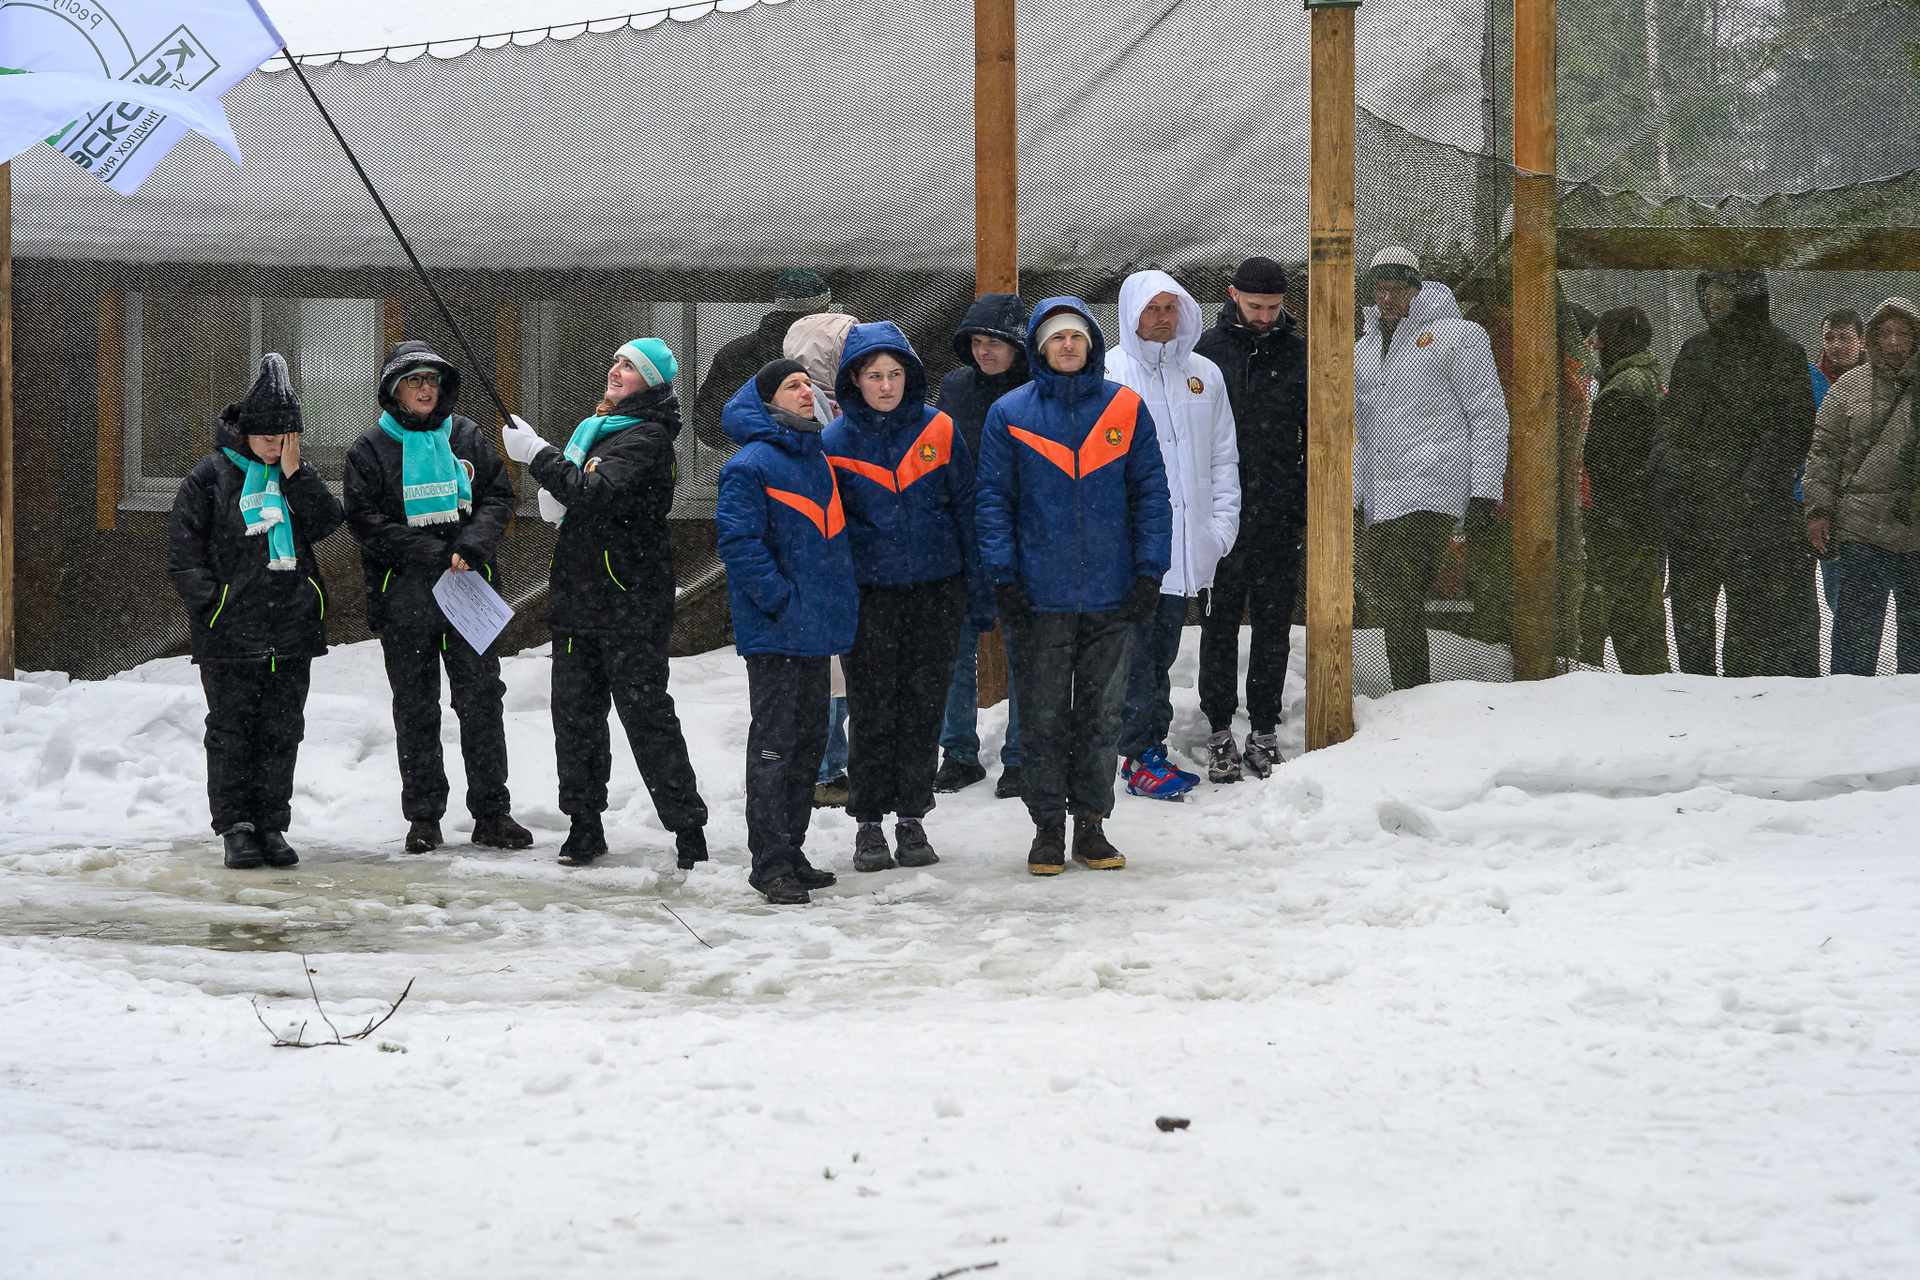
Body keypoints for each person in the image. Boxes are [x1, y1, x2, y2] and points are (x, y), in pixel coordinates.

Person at [976, 300, 1172, 876]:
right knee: (1041, 719)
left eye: (1077, 337)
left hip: (1113, 594)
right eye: (1057, 337)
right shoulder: (1010, 413)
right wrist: (1004, 575)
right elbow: (992, 502)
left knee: (1101, 717)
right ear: (1039, 347)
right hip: (1039, 597)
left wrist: (1149, 571)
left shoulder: (1125, 409)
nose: (1068, 346)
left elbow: (1151, 495)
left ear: (1091, 345)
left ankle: (1091, 824)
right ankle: (1046, 828)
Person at [500, 339, 711, 867]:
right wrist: (557, 488)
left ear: (652, 383)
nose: (616, 370)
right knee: (575, 719)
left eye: (630, 367)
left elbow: (595, 492)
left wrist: (538, 454)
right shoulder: (598, 430)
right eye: (616, 360)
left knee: (647, 716)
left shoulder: (648, 437)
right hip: (578, 601)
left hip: (630, 604)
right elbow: (579, 494)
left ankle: (688, 829)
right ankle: (583, 824)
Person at [344, 340, 532, 854]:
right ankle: (424, 817)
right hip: (404, 597)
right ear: (394, 390)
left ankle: (492, 813)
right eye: (414, 380)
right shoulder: (369, 449)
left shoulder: (466, 435)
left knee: (481, 701)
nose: (425, 389)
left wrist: (473, 544)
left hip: (469, 592)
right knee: (416, 707)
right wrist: (429, 552)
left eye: (432, 379)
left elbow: (499, 496)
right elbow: (364, 521)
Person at [823, 323, 995, 872]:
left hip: (936, 592)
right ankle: (869, 822)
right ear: (854, 379)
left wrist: (979, 591)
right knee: (872, 708)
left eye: (895, 374)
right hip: (870, 596)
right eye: (874, 375)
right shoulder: (834, 442)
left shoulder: (940, 428)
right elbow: (831, 532)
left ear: (910, 376)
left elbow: (967, 510)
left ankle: (913, 817)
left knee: (924, 706)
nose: (885, 385)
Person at [167, 355, 345, 869]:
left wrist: (295, 475)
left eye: (285, 436)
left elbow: (327, 522)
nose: (274, 444)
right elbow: (184, 556)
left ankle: (271, 824)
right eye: (266, 436)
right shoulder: (210, 477)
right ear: (245, 432)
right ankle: (236, 828)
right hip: (230, 633)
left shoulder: (294, 476)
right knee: (231, 732)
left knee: (282, 732)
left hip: (291, 630)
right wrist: (216, 607)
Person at [715, 359, 857, 905]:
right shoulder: (750, 464)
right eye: (792, 385)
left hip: (816, 630)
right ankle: (770, 863)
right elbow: (739, 544)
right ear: (767, 400)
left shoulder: (816, 457)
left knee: (807, 743)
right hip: (777, 632)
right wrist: (781, 601)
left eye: (807, 384)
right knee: (775, 748)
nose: (805, 391)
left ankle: (791, 851)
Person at [1107, 270, 1240, 799]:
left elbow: (1223, 457)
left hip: (1187, 549)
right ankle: (1138, 754)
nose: (1163, 317)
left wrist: (1219, 530)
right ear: (1131, 313)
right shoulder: (1110, 372)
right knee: (1135, 657)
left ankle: (1146, 750)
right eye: (1152, 308)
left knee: (1159, 652)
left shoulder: (1204, 375)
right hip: (1134, 549)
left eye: (1171, 307)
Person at [1353, 247, 1509, 690]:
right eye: (1379, 290)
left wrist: (1484, 491)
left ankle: (1413, 694)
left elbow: (1488, 414)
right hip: (1384, 498)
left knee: (1400, 591)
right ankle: (1413, 696)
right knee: (1394, 598)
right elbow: (1361, 432)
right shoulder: (1363, 350)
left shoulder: (1457, 336)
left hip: (1433, 489)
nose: (1387, 299)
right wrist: (1355, 496)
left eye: (1396, 289)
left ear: (1416, 290)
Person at [1652, 270, 1818, 678]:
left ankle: (1742, 701)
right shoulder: (1695, 349)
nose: (1713, 302)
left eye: (1722, 294)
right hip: (1694, 509)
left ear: (1746, 296)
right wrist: (1673, 471)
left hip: (1754, 515)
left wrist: (1756, 482)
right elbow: (1673, 422)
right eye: (1708, 294)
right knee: (1691, 619)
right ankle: (1696, 695)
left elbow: (1793, 427)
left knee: (1750, 623)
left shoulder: (1782, 352)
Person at [1193, 257, 1305, 781]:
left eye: (1273, 307)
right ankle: (1219, 730)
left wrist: (1301, 498)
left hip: (1279, 512)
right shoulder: (1205, 353)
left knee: (1273, 625)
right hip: (1220, 513)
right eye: (1255, 306)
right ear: (1233, 295)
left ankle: (1264, 731)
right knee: (1217, 626)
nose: (1264, 316)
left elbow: (1318, 430)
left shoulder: (1297, 353)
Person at [931, 292, 1031, 799]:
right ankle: (958, 753)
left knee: (1025, 651)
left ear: (1018, 345)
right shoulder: (955, 387)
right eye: (976, 342)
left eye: (995, 342)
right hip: (961, 538)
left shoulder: (1037, 391)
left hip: (1023, 537)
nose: (984, 351)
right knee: (954, 651)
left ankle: (1020, 756)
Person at [1803, 298, 1920, 675]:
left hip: (1917, 527)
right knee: (1855, 637)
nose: (1894, 341)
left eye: (1903, 333)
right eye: (1885, 333)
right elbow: (1823, 453)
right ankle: (1848, 705)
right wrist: (1818, 510)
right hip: (1863, 528)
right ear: (1872, 338)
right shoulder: (1849, 387)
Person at [783, 310, 861, 808]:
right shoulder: (810, 409)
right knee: (827, 676)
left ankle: (830, 765)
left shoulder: (837, 405)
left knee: (837, 674)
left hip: (836, 559)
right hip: (819, 561)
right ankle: (823, 770)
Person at [1577, 306, 1671, 674]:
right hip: (1640, 517)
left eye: (1602, 339)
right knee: (1642, 613)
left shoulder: (1624, 388)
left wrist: (1611, 512)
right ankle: (1652, 682)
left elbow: (1607, 457)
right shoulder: (1644, 378)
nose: (1597, 346)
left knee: (1616, 611)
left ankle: (1614, 682)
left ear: (1617, 341)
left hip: (1620, 519)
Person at [692, 268, 833, 461]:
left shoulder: (736, 352)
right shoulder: (827, 353)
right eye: (825, 310)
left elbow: (707, 421)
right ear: (818, 310)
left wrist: (746, 445)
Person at [1811, 309, 1867, 613]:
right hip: (1826, 502)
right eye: (1829, 337)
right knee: (1838, 599)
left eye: (1845, 337)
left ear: (1862, 340)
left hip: (1873, 504)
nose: (1836, 345)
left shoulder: (1881, 380)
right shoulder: (1811, 380)